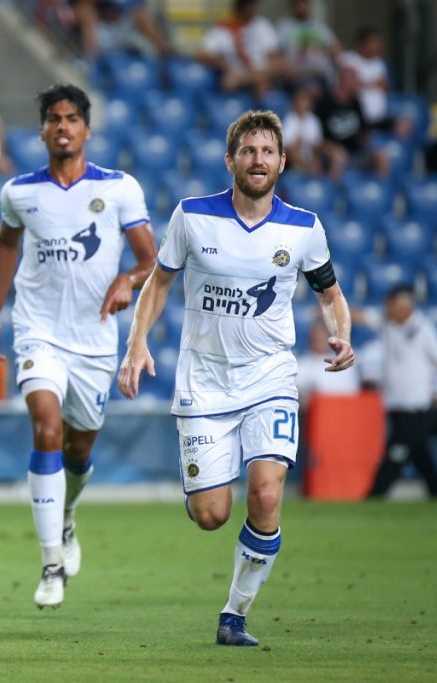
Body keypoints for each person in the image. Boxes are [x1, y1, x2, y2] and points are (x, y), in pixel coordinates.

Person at [117, 110, 354, 646]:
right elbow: (158, 283)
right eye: (248, 151)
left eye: (267, 151)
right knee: (211, 515)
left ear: (282, 162)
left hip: (270, 377)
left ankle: (234, 615)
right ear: (231, 161)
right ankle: (200, 485)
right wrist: (136, 344)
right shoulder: (193, 216)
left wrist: (341, 334)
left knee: (266, 496)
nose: (258, 160)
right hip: (204, 380)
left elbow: (330, 295)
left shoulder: (304, 228)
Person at [0, 83, 157, 609]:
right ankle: (50, 564)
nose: (63, 126)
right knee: (46, 428)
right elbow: (5, 248)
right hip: (38, 332)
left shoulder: (119, 188)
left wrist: (128, 279)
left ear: (86, 129)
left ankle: (67, 516)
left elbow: (151, 260)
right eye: (54, 118)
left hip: (94, 341)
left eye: (72, 119)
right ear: (42, 131)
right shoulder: (19, 193)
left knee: (79, 450)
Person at [366, 285, 437, 499]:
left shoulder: (423, 328)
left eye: (391, 303)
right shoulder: (389, 323)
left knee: (397, 451)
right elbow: (363, 316)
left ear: (404, 304)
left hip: (416, 406)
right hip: (396, 404)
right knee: (419, 452)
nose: (387, 308)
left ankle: (375, 495)